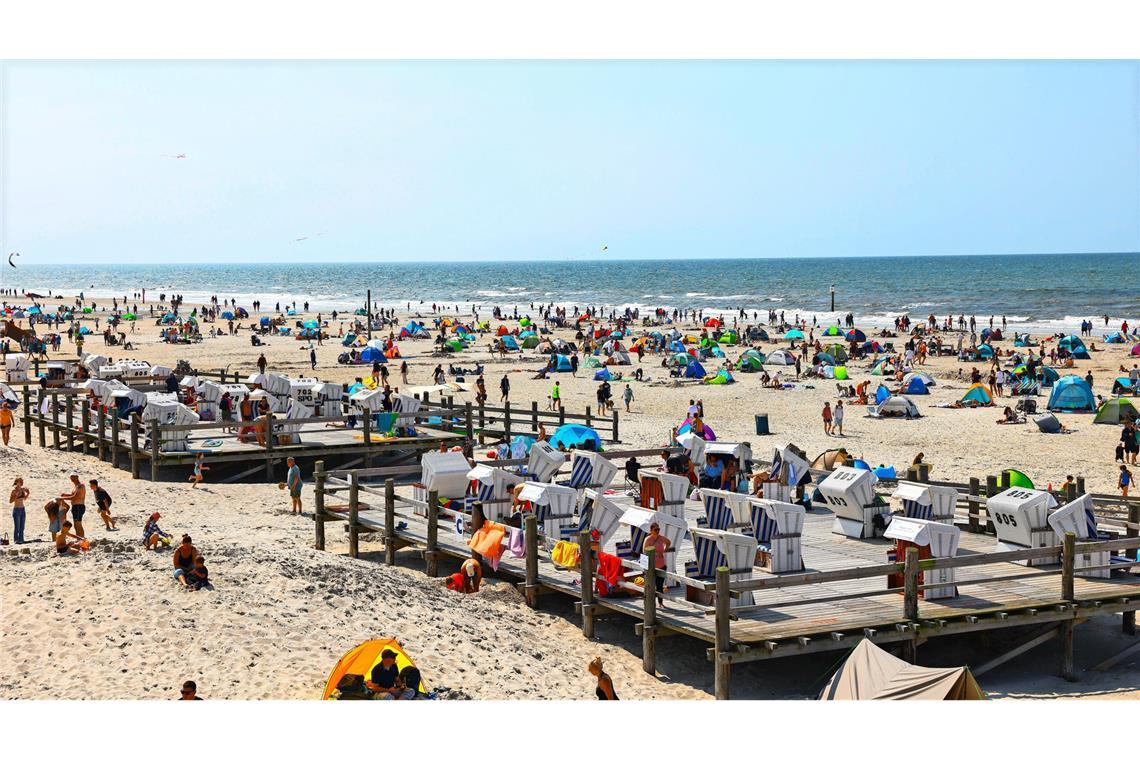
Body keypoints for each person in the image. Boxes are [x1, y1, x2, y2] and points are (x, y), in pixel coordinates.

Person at [640, 522, 670, 607]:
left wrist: (664, 550)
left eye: (658, 529)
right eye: (655, 529)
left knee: (660, 585)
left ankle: (660, 603)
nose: (657, 531)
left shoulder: (661, 538)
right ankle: (649, 603)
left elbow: (668, 542)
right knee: (650, 585)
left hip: (661, 565)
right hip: (651, 566)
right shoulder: (648, 539)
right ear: (651, 530)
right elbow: (644, 551)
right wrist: (656, 554)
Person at [59, 473, 87, 538]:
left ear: (77, 477)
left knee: (78, 524)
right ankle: (79, 538)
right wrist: (65, 495)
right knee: (76, 524)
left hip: (79, 506)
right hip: (75, 506)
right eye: (71, 477)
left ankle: (82, 539)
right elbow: (73, 495)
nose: (72, 479)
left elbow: (75, 497)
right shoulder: (76, 486)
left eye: (73, 477)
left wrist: (62, 498)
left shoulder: (80, 486)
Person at [10, 477, 28, 544]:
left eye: (22, 481)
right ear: (17, 482)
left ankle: (21, 539)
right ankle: (16, 540)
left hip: (22, 509)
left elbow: (24, 499)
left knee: (22, 526)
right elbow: (10, 501)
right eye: (20, 481)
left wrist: (28, 494)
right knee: (17, 526)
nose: (22, 482)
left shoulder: (23, 490)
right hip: (16, 509)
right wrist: (15, 496)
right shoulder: (14, 491)